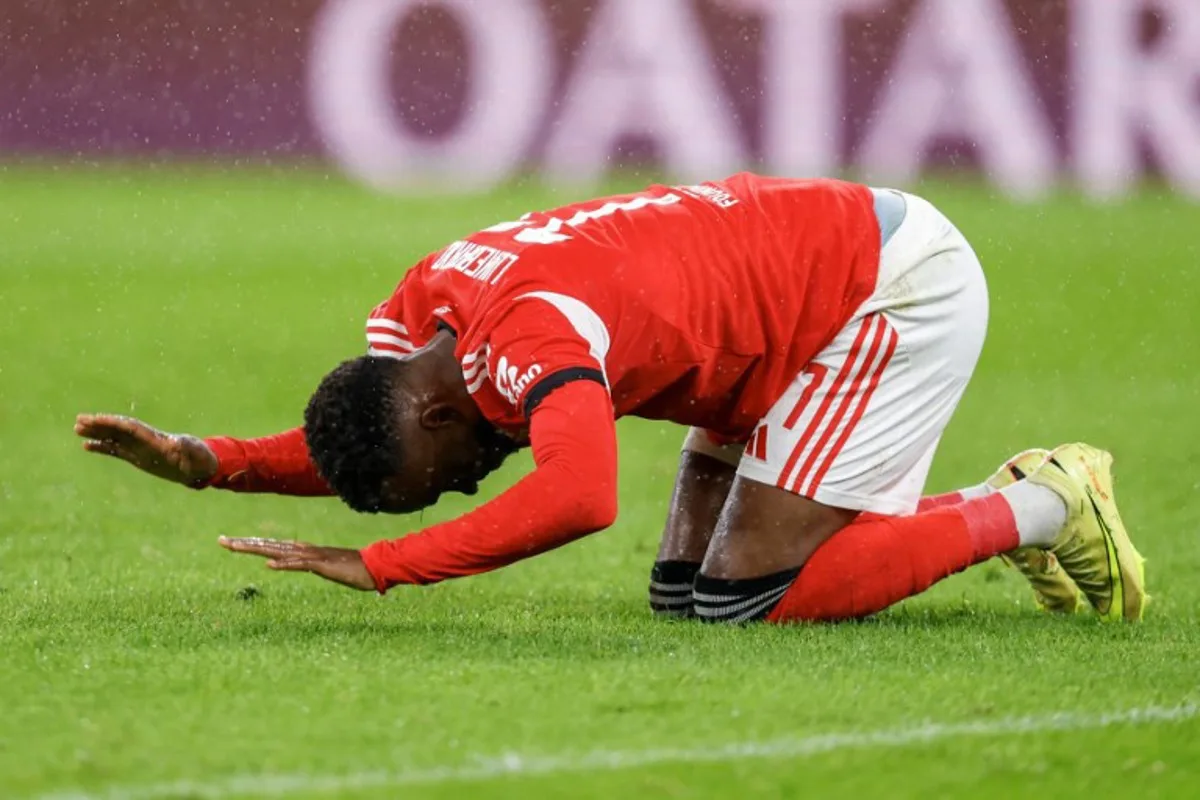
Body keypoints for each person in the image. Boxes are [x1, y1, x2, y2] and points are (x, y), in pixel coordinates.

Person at [74, 174, 1147, 623]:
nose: (460, 489)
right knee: (683, 595)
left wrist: (390, 562)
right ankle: (1003, 503)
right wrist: (214, 460)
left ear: (441, 417)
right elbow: (367, 438)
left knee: (753, 600)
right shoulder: (416, 321)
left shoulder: (528, 337)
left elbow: (582, 494)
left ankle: (1044, 500)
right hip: (757, 322)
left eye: (440, 483)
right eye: (439, 498)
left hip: (879, 292)